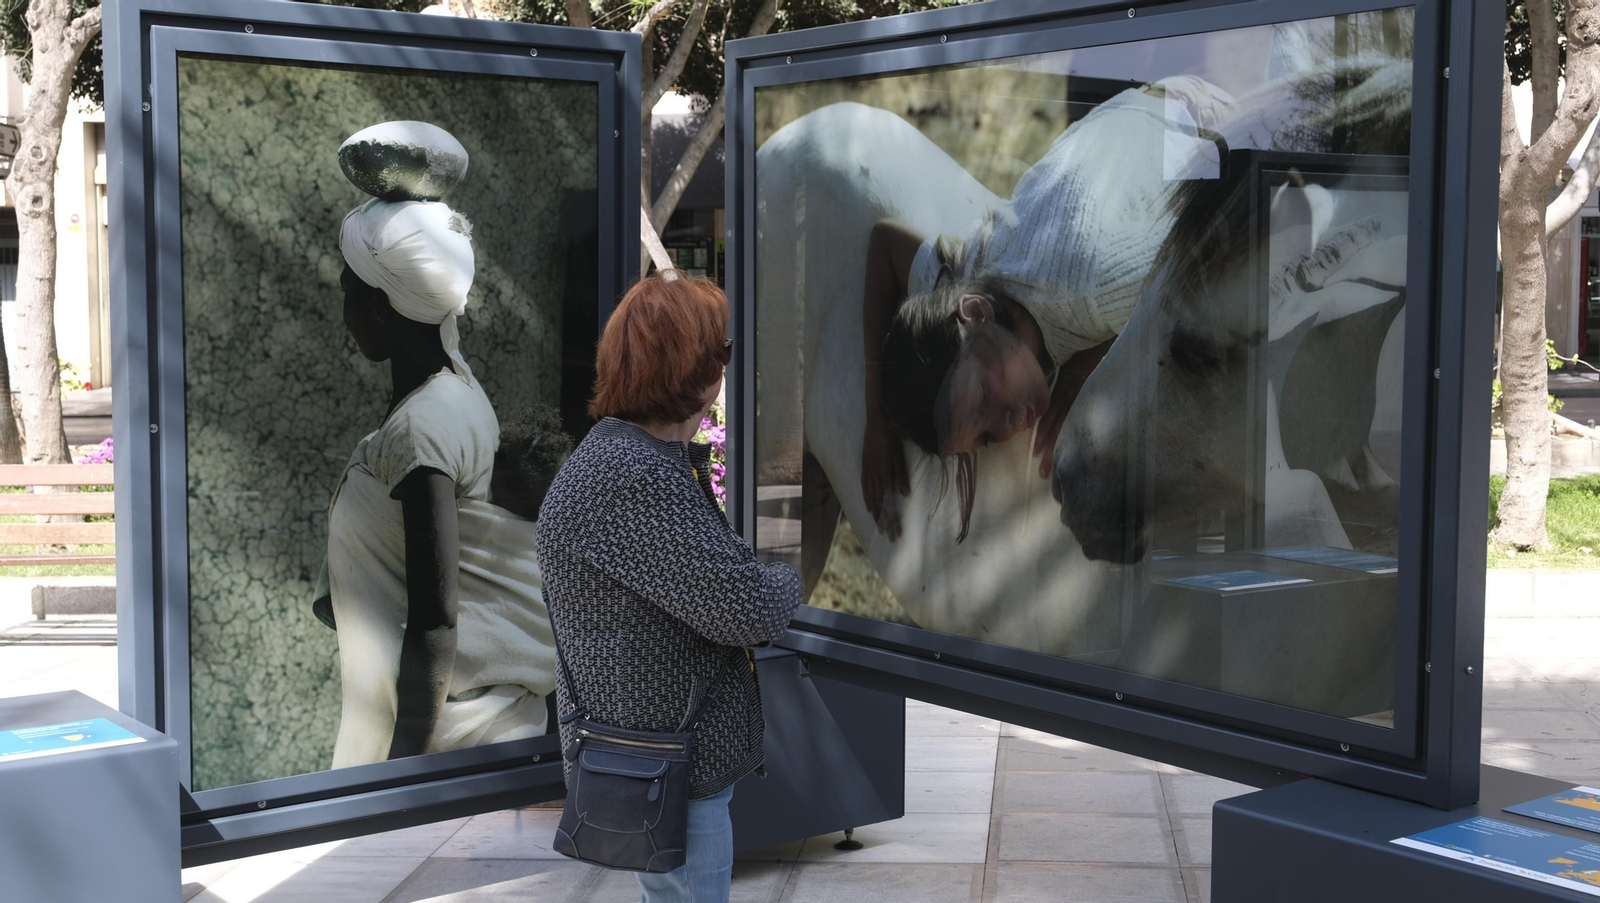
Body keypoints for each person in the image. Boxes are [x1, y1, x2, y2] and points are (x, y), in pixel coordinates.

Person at [859, 76, 1232, 542]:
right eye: (985, 439)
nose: (1007, 424)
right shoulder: (960, 296)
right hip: (1122, 124)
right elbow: (884, 243)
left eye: (985, 398)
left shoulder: (1095, 289)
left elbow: (1204, 256)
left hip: (1199, 123)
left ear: (975, 312)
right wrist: (877, 419)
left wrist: (1090, 361)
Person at [536, 272, 804, 903]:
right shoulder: (634, 476)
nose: (725, 367)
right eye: (721, 351)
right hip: (667, 769)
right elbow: (746, 609)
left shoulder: (624, 457)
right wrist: (790, 576)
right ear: (695, 369)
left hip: (655, 760)